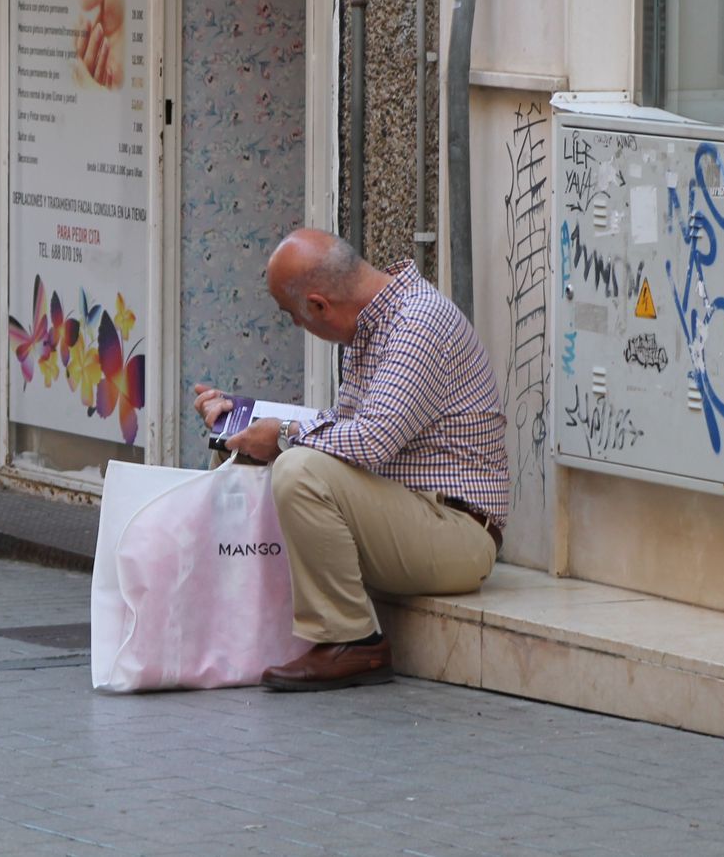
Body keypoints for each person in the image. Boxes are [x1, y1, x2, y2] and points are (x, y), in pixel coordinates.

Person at [192, 228, 509, 692]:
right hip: (413, 514)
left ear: (319, 305)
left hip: (457, 533)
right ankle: (241, 621)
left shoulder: (417, 324)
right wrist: (244, 420)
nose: (298, 327)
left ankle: (354, 642)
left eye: (292, 316)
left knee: (298, 470)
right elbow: (340, 427)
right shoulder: (379, 322)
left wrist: (279, 437)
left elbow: (372, 441)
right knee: (279, 459)